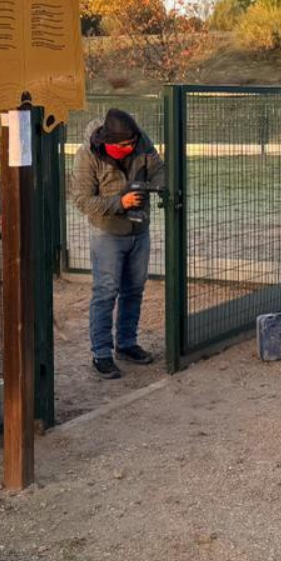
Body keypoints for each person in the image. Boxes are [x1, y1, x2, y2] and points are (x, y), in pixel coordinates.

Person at [71, 109, 165, 379]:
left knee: (134, 289)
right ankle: (101, 353)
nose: (132, 148)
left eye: (134, 143)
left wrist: (157, 188)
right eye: (126, 145)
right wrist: (119, 203)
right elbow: (82, 200)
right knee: (106, 292)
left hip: (140, 230)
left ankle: (126, 343)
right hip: (107, 233)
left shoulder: (140, 140)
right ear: (110, 143)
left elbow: (159, 169)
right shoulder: (87, 155)